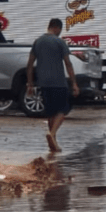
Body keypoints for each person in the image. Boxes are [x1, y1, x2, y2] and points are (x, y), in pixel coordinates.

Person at [26, 18, 79, 153]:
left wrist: (30, 84)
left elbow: (30, 64)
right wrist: (74, 83)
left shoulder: (37, 42)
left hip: (43, 83)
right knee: (63, 110)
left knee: (50, 113)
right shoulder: (60, 42)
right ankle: (52, 133)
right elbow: (68, 63)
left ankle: (53, 143)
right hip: (58, 82)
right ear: (57, 28)